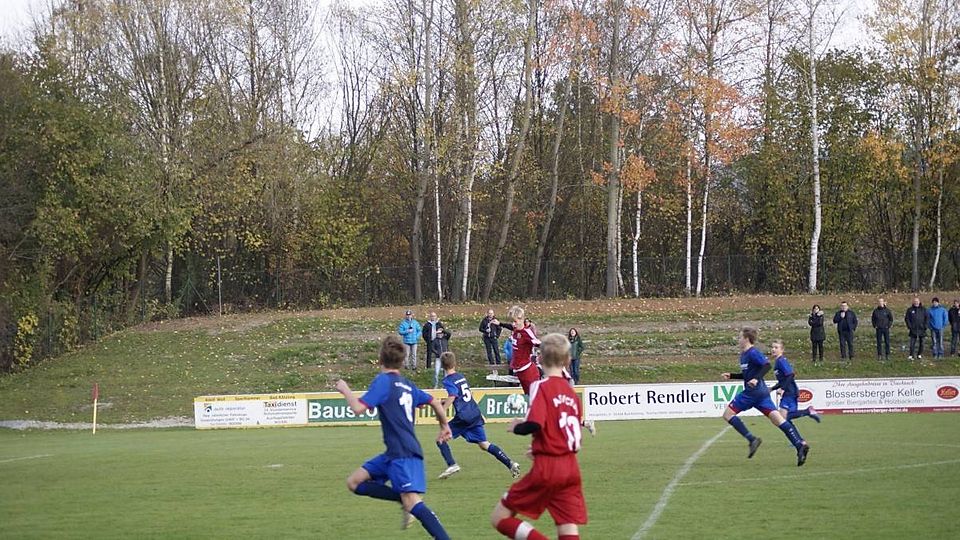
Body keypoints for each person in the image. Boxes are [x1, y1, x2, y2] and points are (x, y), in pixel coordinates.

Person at [335, 335, 452, 539]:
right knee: (354, 482)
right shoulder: (407, 385)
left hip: (403, 453)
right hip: (393, 453)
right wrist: (444, 425)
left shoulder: (383, 382)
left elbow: (357, 408)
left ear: (380, 359)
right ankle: (401, 499)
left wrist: (345, 389)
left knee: (413, 501)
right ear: (402, 361)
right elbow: (434, 401)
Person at [490, 333, 588, 540]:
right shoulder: (572, 395)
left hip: (548, 468)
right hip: (571, 467)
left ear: (539, 358)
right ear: (568, 360)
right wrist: (541, 447)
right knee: (567, 527)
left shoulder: (540, 386)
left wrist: (517, 427)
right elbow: (574, 440)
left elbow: (534, 423)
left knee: (500, 517)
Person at [721, 327, 810, 467]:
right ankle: (799, 445)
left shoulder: (753, 352)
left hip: (753, 392)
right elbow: (747, 375)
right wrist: (732, 375)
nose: (738, 340)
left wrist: (756, 379)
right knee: (778, 420)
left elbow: (766, 365)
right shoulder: (744, 355)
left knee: (728, 414)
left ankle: (752, 439)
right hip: (761, 394)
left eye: (740, 337)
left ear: (746, 339)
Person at [434, 351, 521, 480]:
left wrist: (442, 410)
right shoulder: (460, 376)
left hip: (464, 417)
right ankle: (510, 464)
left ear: (442, 365)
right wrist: (443, 402)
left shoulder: (448, 380)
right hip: (474, 413)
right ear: (455, 363)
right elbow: (461, 396)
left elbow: (453, 395)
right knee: (484, 444)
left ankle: (452, 464)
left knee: (440, 439)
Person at [769, 340, 821, 423]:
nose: (773, 349)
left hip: (790, 392)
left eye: (776, 347)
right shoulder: (778, 361)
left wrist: (782, 388)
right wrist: (772, 388)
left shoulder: (781, 361)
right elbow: (783, 380)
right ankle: (808, 412)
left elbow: (790, 375)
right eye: (772, 347)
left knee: (782, 418)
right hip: (791, 392)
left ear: (782, 350)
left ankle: (808, 411)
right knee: (786, 417)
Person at [507, 305, 541, 395]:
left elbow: (538, 343)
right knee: (528, 397)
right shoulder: (515, 331)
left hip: (528, 372)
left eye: (515, 321)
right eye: (511, 322)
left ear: (521, 319)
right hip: (520, 371)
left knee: (536, 398)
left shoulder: (527, 332)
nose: (513, 324)